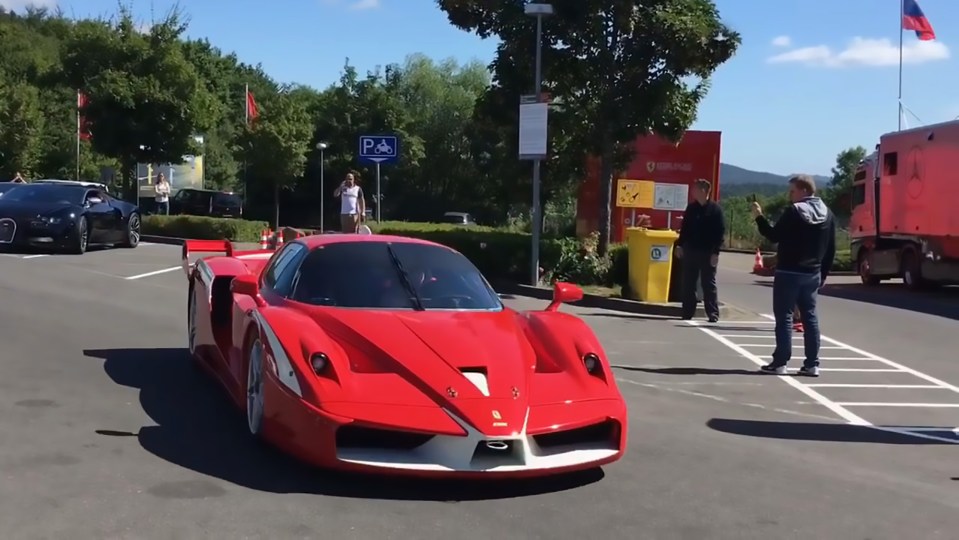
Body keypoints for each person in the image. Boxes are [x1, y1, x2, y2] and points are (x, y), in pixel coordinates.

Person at [751, 174, 836, 377]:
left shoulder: (794, 211)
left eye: (792, 191)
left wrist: (759, 217)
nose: (790, 196)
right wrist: (823, 274)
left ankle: (780, 362)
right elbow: (831, 248)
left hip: (789, 271)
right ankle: (812, 363)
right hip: (812, 272)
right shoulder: (828, 213)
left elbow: (773, 235)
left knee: (785, 317)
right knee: (810, 317)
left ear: (804, 190)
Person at [675, 179, 725, 322]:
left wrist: (716, 252)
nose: (692, 192)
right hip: (691, 250)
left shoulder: (715, 210)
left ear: (703, 191)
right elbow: (684, 229)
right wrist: (680, 245)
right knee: (688, 283)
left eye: (695, 189)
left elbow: (720, 233)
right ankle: (687, 312)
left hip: (707, 252)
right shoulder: (691, 209)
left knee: (708, 283)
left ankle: (713, 313)